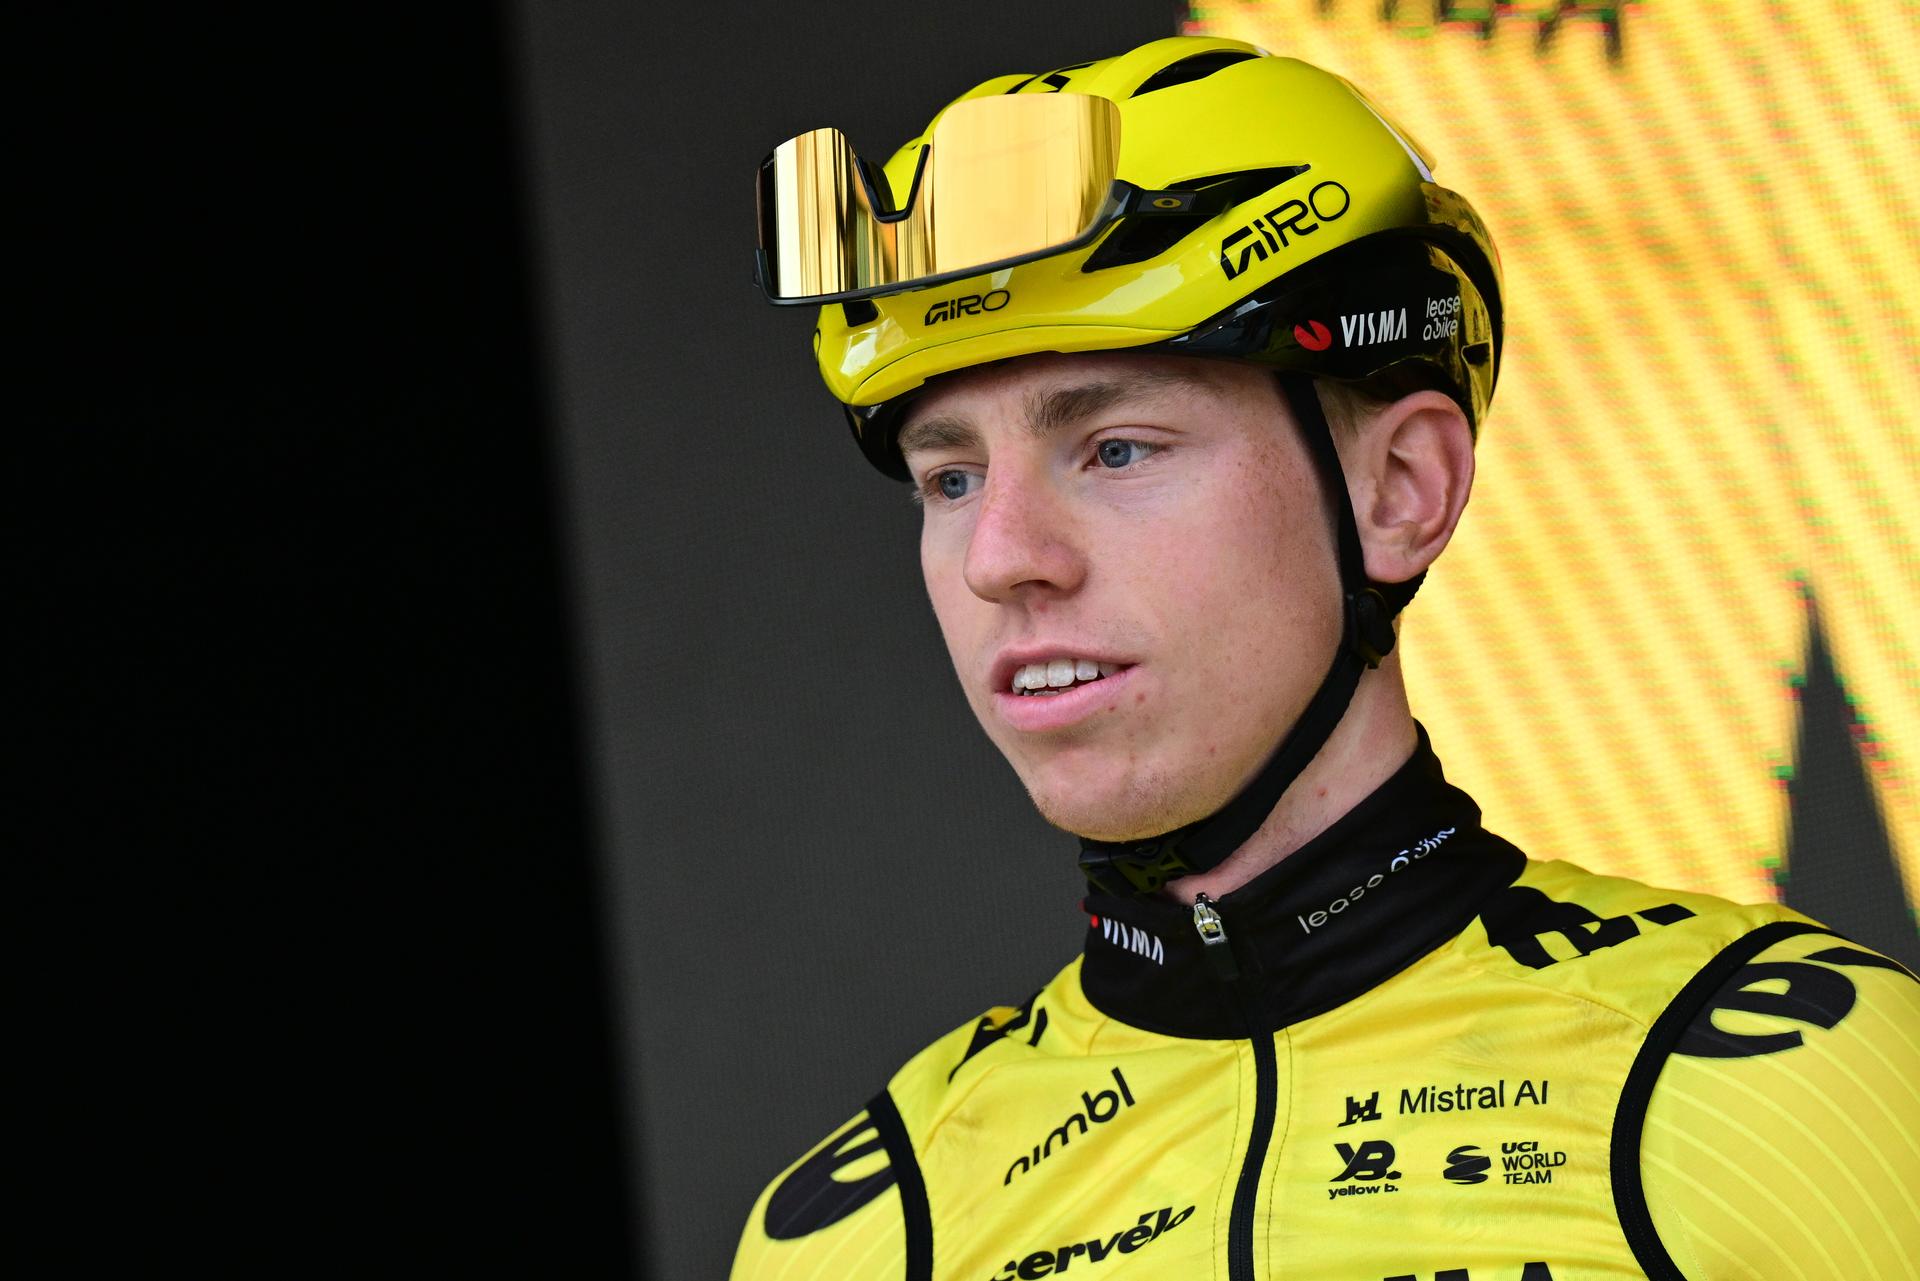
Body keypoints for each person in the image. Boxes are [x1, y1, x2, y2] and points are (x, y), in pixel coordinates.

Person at [732, 35, 1920, 1281]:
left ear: (1404, 487)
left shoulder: (1796, 1080)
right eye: (952, 477)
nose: (1001, 557)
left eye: (1118, 450)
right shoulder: (863, 1230)